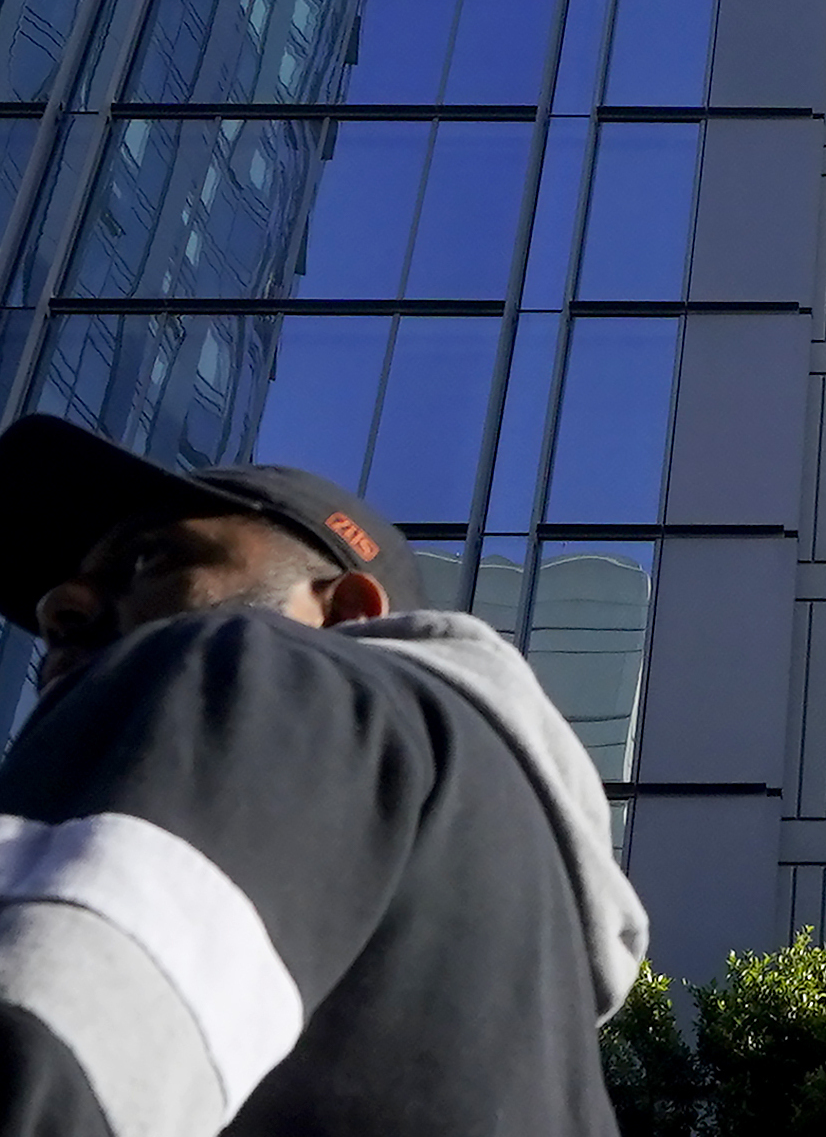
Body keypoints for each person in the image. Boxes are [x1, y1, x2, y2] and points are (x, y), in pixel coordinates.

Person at [0, 414, 645, 1136]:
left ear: (343, 611)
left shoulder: (251, 664)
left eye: (152, 560)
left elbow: (51, 1044)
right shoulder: (525, 957)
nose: (58, 605)